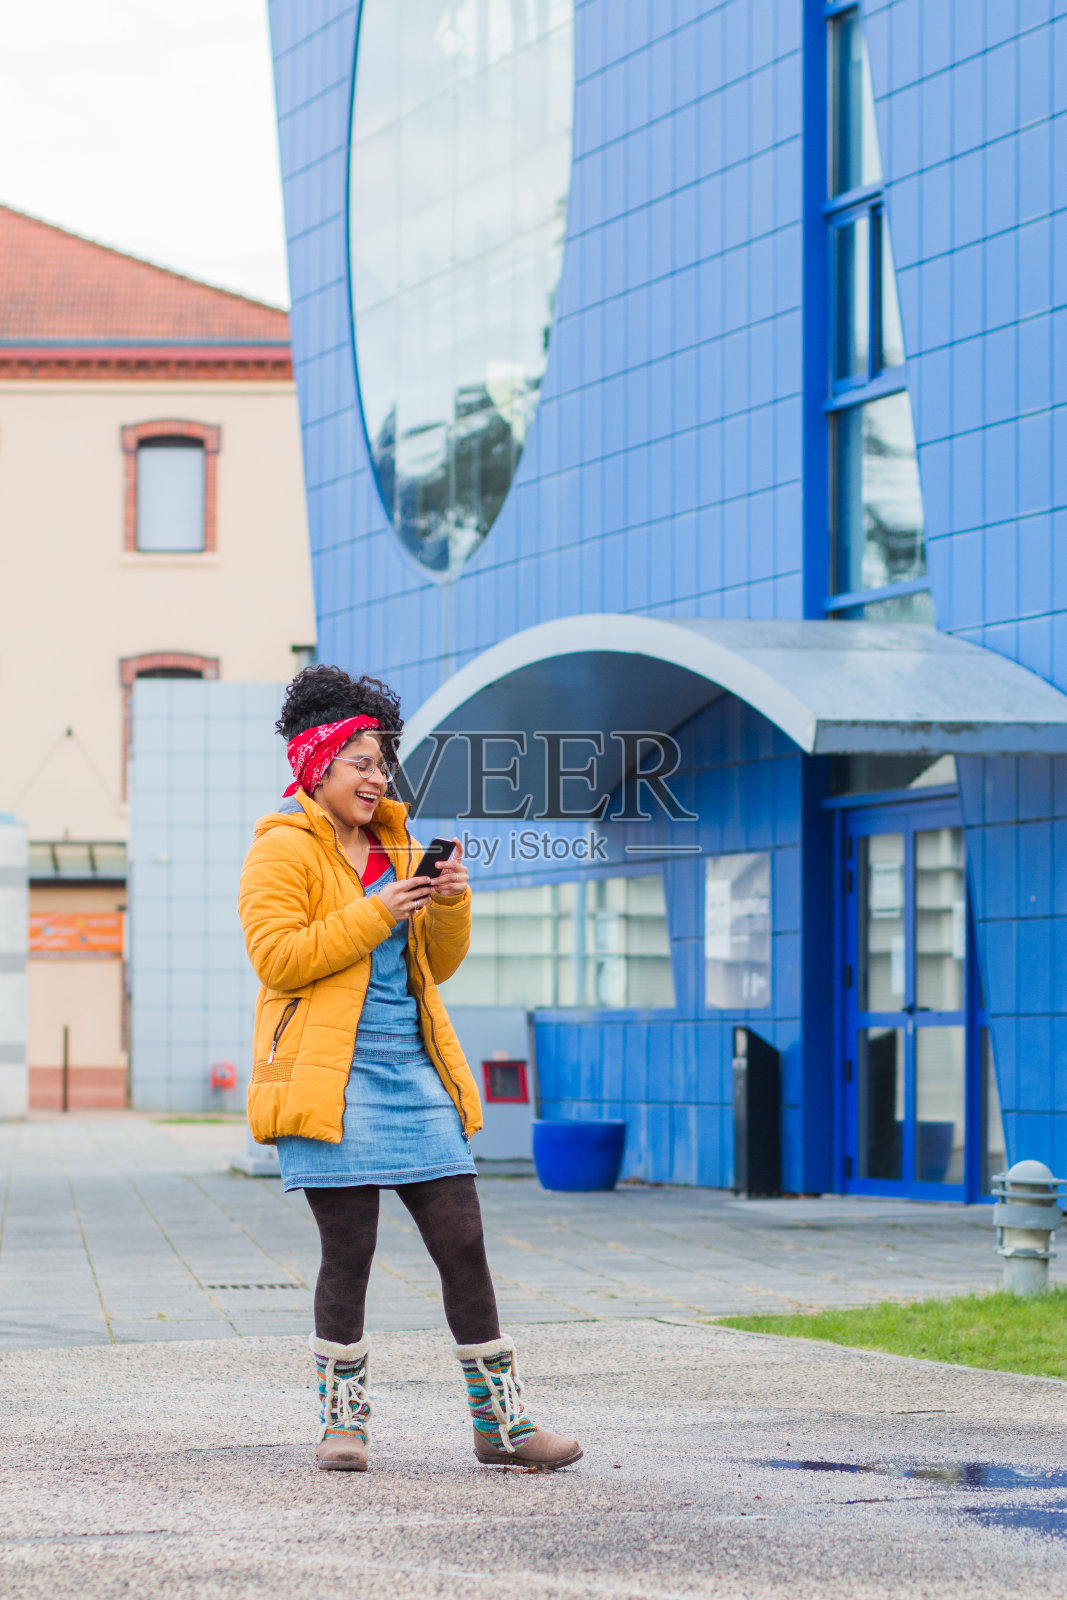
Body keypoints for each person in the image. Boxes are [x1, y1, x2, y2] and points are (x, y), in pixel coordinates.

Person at [237, 664, 581, 1473]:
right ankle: (342, 1426)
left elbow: (439, 965)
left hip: (413, 1071)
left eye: (383, 761)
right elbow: (276, 958)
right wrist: (372, 913)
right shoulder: (280, 848)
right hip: (331, 1082)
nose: (377, 776)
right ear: (317, 763)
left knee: (463, 1241)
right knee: (348, 1250)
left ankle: (501, 1425)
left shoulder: (396, 841)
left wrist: (449, 900)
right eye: (361, 761)